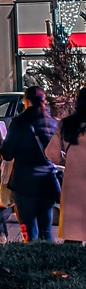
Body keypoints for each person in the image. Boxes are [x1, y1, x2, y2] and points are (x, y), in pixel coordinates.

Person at [0, 86, 58, 242]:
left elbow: (7, 154)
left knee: (29, 232)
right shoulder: (53, 123)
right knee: (46, 230)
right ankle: (47, 263)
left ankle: (31, 263)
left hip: (25, 182)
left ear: (26, 101)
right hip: (48, 182)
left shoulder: (19, 122)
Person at [45, 87, 86, 243]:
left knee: (73, 235)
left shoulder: (66, 124)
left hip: (73, 186)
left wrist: (67, 160)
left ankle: (71, 265)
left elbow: (51, 153)